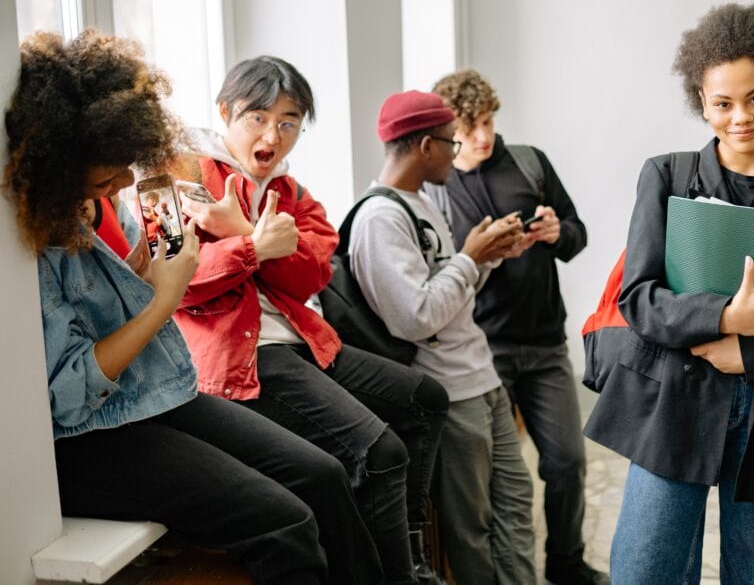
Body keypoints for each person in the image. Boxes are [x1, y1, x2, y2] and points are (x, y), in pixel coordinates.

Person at [3, 30, 381, 585]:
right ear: (60, 163)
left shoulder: (106, 203)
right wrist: (164, 298)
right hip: (89, 435)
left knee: (323, 475)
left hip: (156, 392)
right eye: (110, 170)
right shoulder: (31, 247)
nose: (126, 181)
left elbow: (307, 273)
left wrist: (140, 275)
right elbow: (69, 393)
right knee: (286, 520)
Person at [584, 2, 754, 584]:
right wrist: (728, 316)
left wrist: (750, 353)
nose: (741, 117)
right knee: (645, 572)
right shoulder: (666, 177)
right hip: (674, 397)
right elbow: (639, 297)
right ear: (702, 102)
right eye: (723, 103)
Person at [174, 56, 448, 585]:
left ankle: (411, 551)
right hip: (243, 357)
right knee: (380, 451)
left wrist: (242, 231)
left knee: (425, 399)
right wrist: (254, 246)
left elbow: (311, 276)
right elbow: (179, 284)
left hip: (305, 341)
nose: (271, 135)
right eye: (257, 117)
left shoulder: (292, 192)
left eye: (288, 122)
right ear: (225, 112)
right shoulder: (187, 177)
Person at [348, 90, 538, 584]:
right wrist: (470, 258)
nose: (458, 153)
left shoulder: (422, 202)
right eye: (451, 143)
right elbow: (415, 317)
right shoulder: (380, 218)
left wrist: (489, 256)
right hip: (448, 389)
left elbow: (448, 293)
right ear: (426, 147)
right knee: (471, 523)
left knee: (515, 502)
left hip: (481, 374)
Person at [429, 70, 606, 585]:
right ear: (450, 129)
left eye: (488, 121)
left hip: (546, 344)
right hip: (483, 350)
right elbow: (436, 274)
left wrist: (556, 232)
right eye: (470, 127)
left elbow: (577, 233)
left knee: (568, 462)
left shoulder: (529, 162)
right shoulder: (437, 187)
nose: (483, 136)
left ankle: (566, 563)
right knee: (495, 479)